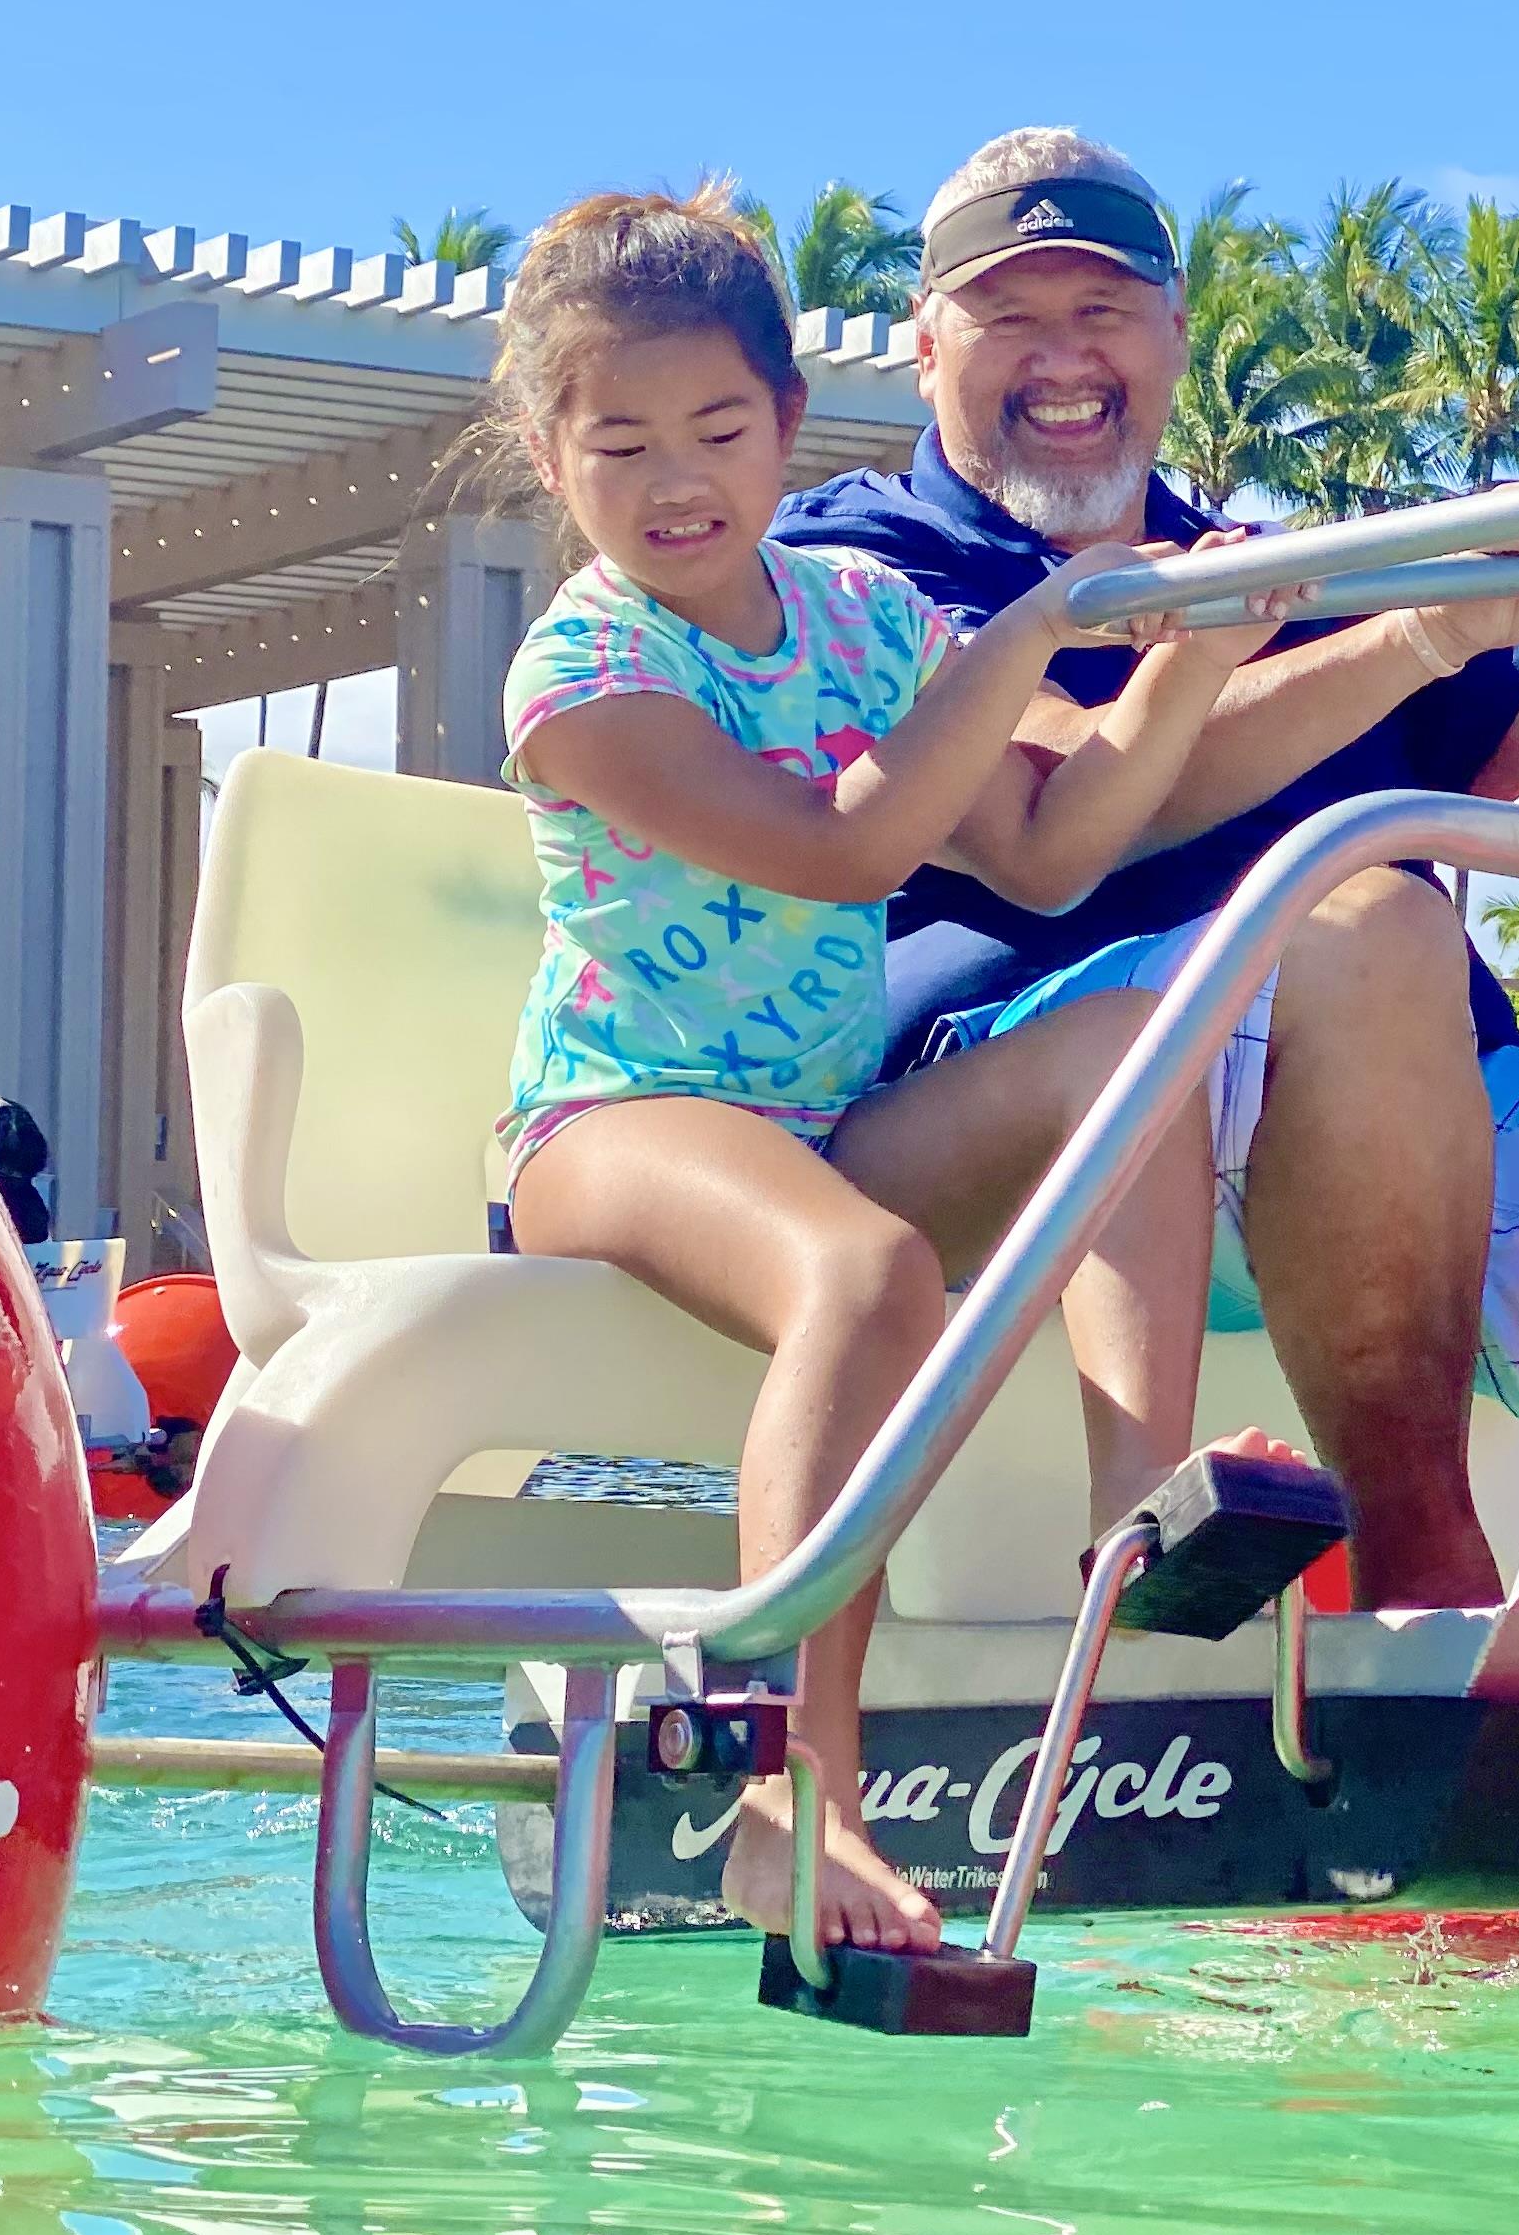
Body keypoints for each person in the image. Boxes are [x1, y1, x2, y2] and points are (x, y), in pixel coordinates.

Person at [779, 128, 1519, 1910]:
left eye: (1106, 308)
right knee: (1360, 921)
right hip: (1022, 1126)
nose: (1067, 354)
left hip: (1377, 1126)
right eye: (1013, 316)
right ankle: (1411, 1593)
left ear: (1174, 332)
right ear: (923, 350)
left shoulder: (1279, 563)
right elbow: (1075, 818)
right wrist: (1402, 644)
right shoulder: (854, 570)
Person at [486, 187, 1295, 1954]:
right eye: (619, 442)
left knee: (1137, 1040)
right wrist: (1022, 640)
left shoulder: (860, 613)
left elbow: (1049, 850)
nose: (676, 477)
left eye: (717, 428)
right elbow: (844, 849)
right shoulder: (587, 667)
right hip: (614, 1121)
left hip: (831, 1120)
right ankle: (791, 1797)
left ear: (786, 426)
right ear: (554, 461)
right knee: (867, 1273)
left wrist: (1197, 659)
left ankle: (1129, 1539)